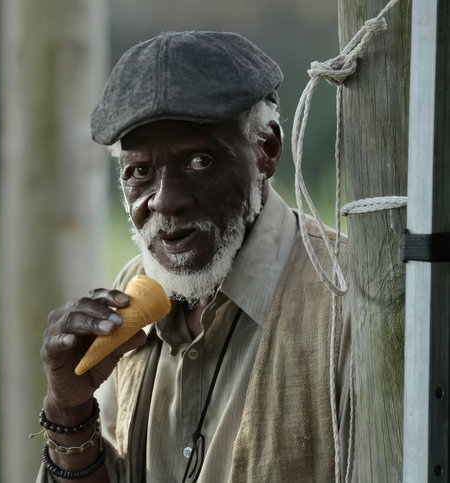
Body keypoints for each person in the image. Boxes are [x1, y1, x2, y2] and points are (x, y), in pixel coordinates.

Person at [35, 31, 353, 482]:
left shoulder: (348, 301)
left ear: (267, 150)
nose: (164, 201)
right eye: (139, 171)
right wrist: (68, 411)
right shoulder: (129, 297)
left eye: (198, 161)